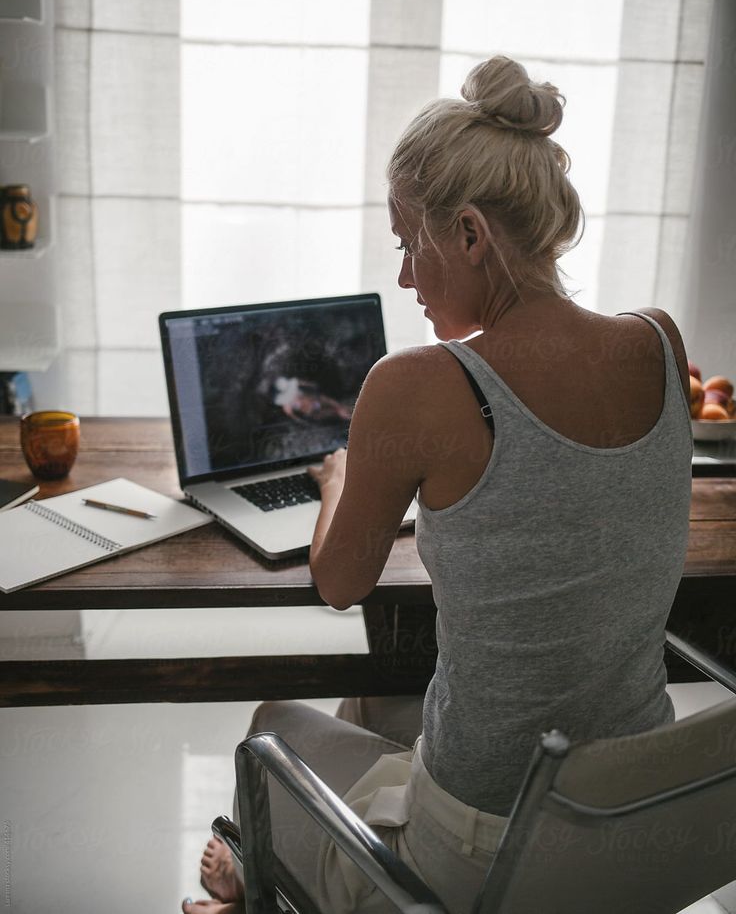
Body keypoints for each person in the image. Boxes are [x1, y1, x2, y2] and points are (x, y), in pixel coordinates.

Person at [183, 55, 693, 913]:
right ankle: (291, 869)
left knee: (276, 722)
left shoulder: (418, 383)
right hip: (638, 821)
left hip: (489, 857)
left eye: (408, 244)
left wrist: (341, 478)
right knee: (382, 701)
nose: (406, 277)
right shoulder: (661, 339)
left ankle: (262, 885)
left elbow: (341, 581)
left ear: (466, 233)